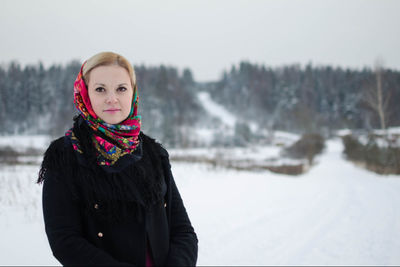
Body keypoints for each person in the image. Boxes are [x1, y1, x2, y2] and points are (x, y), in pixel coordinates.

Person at [37, 51, 198, 266]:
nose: (112, 99)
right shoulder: (65, 155)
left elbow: (182, 230)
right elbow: (64, 240)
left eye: (121, 88)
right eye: (100, 89)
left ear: (132, 93)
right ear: (85, 94)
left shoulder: (153, 153)